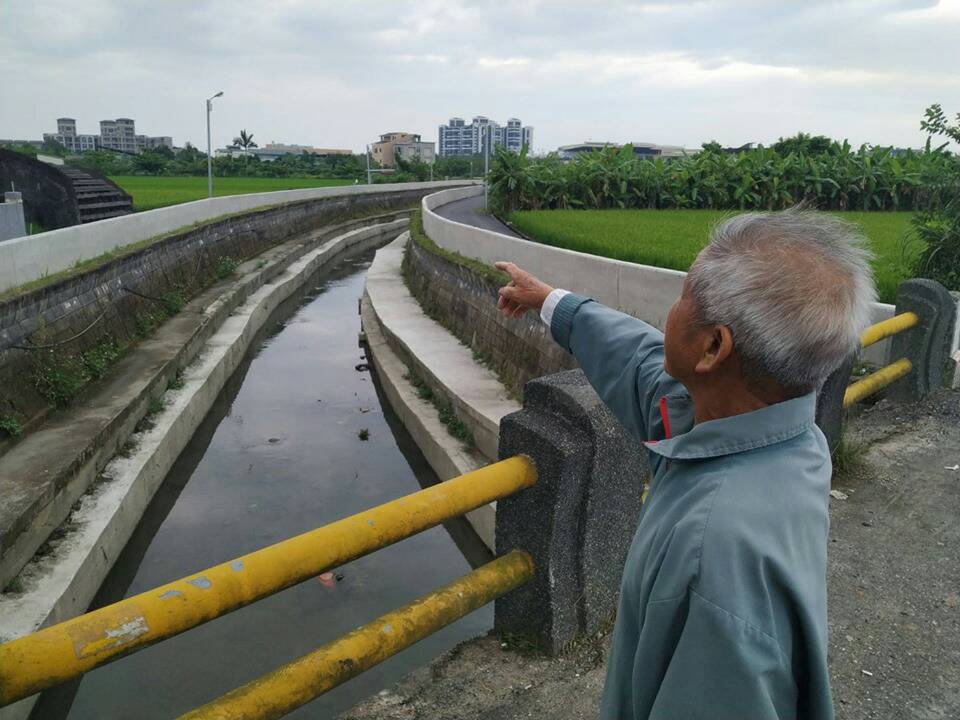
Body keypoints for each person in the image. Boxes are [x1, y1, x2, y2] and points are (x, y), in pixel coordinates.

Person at [494, 209, 876, 720]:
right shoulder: (784, 435)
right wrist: (551, 302)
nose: (670, 312)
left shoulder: (713, 555)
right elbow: (640, 360)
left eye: (683, 296)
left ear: (714, 346)